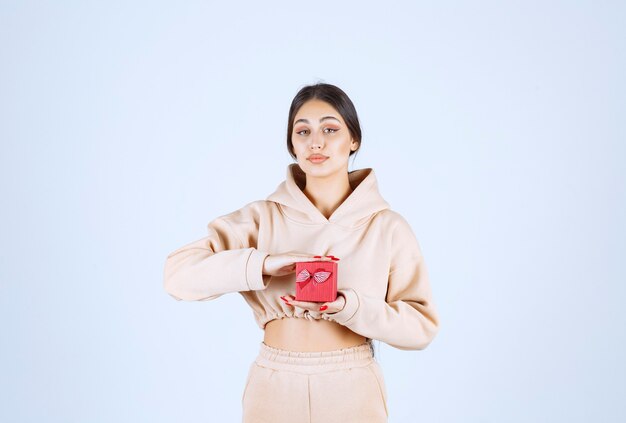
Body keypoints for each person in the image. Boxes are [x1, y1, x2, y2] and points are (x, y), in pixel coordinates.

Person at [163, 82, 439, 422]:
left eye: (330, 128)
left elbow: (420, 328)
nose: (316, 142)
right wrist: (261, 265)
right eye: (303, 131)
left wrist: (348, 306)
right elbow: (177, 276)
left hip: (352, 385)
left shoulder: (387, 227)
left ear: (354, 140)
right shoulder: (262, 218)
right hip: (274, 382)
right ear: (292, 145)